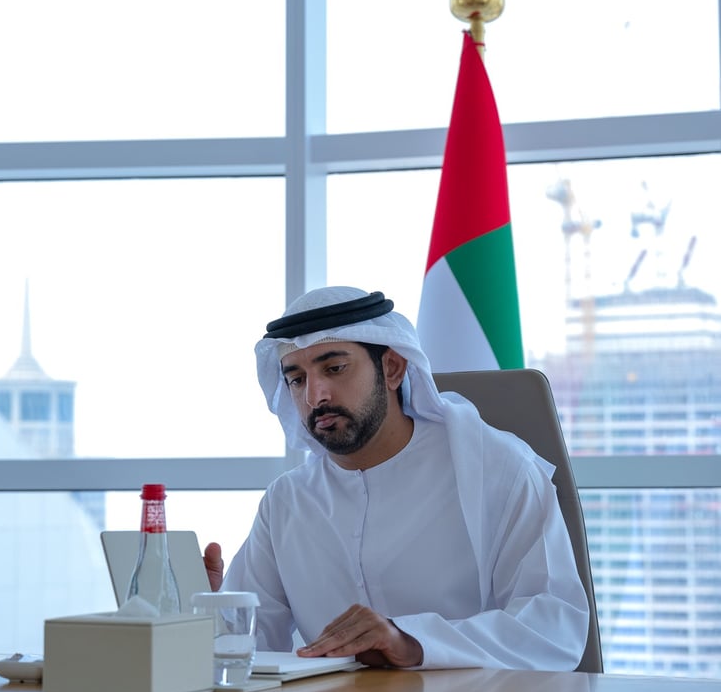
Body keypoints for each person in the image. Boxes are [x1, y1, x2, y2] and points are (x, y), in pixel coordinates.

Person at [203, 286, 589, 670]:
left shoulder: (498, 470)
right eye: (297, 379)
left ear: (392, 368)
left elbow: (552, 628)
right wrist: (202, 614)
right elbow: (249, 648)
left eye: (334, 369)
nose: (315, 396)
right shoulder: (286, 501)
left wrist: (413, 642)